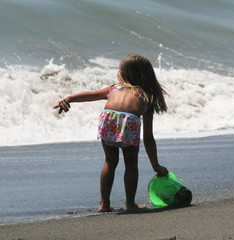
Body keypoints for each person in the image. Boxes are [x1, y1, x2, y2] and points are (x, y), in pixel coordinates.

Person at [53, 55, 169, 212]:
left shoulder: (114, 88)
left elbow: (90, 95)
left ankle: (104, 204)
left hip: (109, 118)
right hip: (129, 122)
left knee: (110, 161)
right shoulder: (146, 96)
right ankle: (130, 203)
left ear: (124, 73)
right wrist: (156, 165)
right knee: (131, 164)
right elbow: (148, 138)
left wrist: (69, 99)